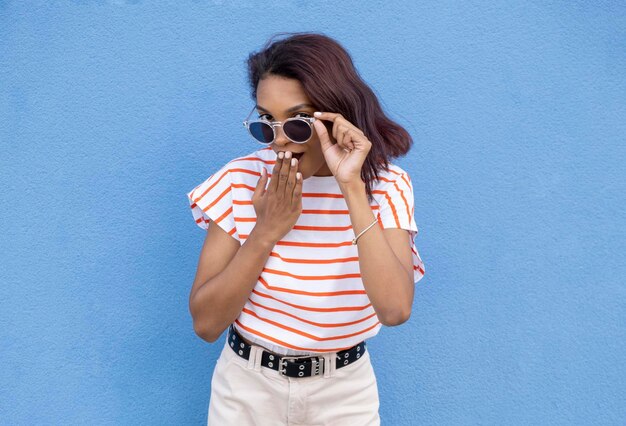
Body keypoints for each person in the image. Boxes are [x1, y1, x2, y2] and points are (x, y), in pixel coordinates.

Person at [186, 32, 425, 426]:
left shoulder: (386, 186)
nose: (279, 143)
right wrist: (266, 231)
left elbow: (395, 309)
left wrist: (350, 186)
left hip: (344, 393)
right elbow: (206, 324)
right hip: (247, 389)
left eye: (297, 124)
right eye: (266, 123)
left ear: (338, 115)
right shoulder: (241, 180)